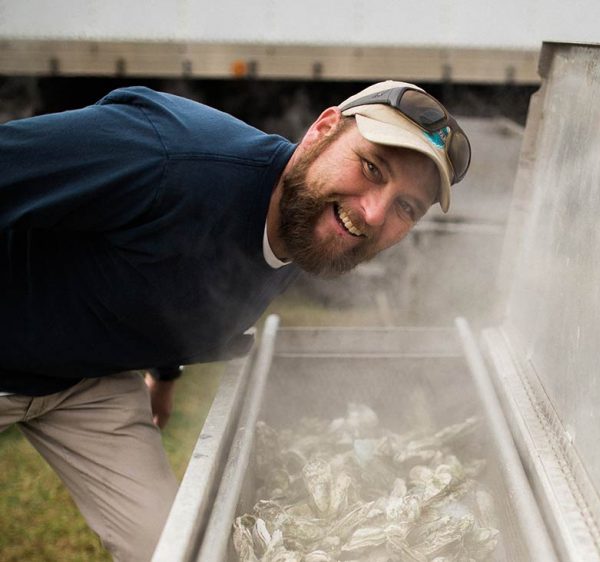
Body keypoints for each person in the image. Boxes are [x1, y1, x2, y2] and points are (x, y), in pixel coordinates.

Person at [0, 80, 471, 561]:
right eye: (371, 167)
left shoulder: (304, 227)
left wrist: (164, 374)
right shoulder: (167, 155)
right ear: (323, 130)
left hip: (88, 384)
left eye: (405, 207)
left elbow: (171, 279)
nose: (373, 213)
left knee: (174, 549)